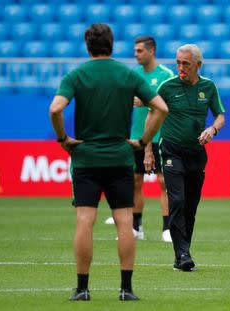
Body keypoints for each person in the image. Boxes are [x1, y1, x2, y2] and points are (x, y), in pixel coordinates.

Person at [49, 24, 168, 301]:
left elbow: (55, 108)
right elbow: (161, 108)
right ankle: (126, 289)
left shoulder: (77, 74)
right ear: (112, 45)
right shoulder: (127, 75)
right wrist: (141, 141)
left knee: (84, 221)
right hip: (120, 157)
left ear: (87, 45)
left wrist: (63, 138)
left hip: (86, 159)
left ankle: (82, 289)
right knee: (124, 222)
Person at [157, 44, 225, 271]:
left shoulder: (209, 86)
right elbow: (152, 112)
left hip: (196, 153)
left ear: (198, 64)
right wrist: (147, 148)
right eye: (177, 62)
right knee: (177, 200)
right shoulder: (167, 87)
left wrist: (212, 130)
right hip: (171, 151)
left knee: (191, 206)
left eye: (185, 63)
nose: (180, 67)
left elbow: (220, 117)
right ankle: (183, 253)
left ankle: (181, 254)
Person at [104, 36, 174, 242]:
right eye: (135, 51)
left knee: (163, 181)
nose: (136, 54)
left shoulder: (166, 75)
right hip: (136, 136)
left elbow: (166, 104)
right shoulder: (133, 75)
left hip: (160, 135)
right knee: (134, 181)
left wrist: (143, 100)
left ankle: (167, 228)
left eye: (139, 51)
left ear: (151, 51)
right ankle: (136, 227)